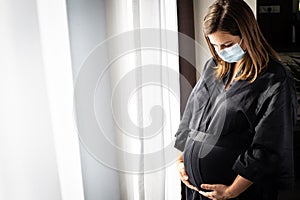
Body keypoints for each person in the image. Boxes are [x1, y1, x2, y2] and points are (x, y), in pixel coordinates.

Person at [174, 0, 298, 199]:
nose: (221, 51)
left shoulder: (274, 79)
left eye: (228, 44)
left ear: (247, 35)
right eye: (215, 45)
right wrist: (182, 161)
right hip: (195, 191)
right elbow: (191, 118)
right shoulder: (212, 67)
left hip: (239, 192)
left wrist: (232, 191)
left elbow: (270, 145)